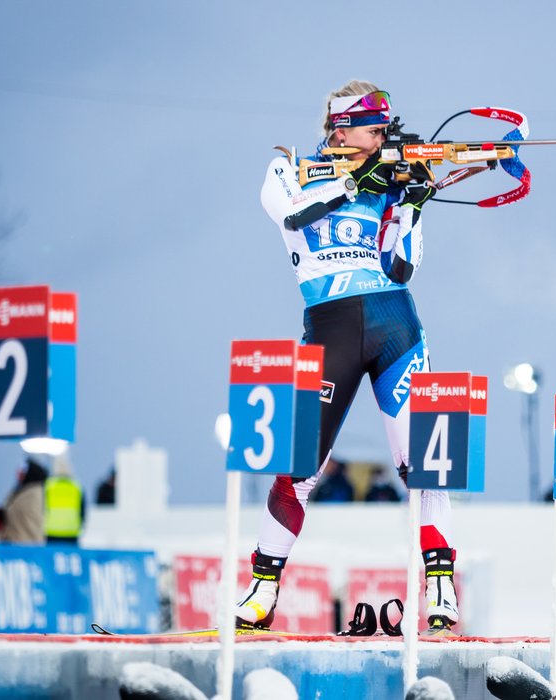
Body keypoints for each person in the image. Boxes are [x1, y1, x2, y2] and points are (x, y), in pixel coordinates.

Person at [237, 80, 459, 634]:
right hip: (330, 325)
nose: (383, 138)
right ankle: (262, 590)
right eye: (373, 128)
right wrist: (354, 179)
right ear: (340, 128)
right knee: (299, 469)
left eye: (386, 128)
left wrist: (409, 204)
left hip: (394, 323)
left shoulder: (389, 181)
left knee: (424, 466)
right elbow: (291, 215)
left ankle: (440, 587)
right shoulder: (289, 168)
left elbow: (401, 265)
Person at [0, 456, 49, 544]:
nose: (18, 474)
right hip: (23, 542)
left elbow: (11, 513)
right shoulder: (22, 491)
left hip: (24, 544)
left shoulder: (31, 494)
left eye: (22, 472)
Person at [43, 454, 85, 545]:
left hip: (51, 531)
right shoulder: (77, 487)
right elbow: (83, 511)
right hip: (71, 532)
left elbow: (41, 508)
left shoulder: (48, 486)